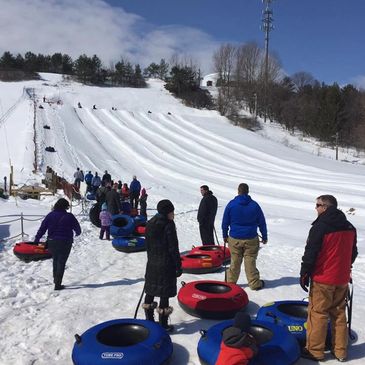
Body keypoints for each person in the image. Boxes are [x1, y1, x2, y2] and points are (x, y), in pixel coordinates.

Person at [300, 195, 357, 362]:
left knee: (318, 313)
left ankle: (315, 351)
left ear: (325, 207)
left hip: (323, 278)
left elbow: (311, 253)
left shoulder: (320, 226)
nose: (315, 208)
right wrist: (344, 267)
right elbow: (353, 253)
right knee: (339, 313)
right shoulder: (349, 226)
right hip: (341, 278)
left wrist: (304, 273)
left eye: (318, 205)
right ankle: (340, 351)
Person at [142, 200, 182, 332]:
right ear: (166, 212)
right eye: (171, 212)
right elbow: (173, 248)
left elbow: (147, 246)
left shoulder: (150, 223)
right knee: (164, 293)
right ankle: (163, 324)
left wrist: (152, 258)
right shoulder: (168, 225)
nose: (173, 214)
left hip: (152, 263)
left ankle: (149, 321)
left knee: (151, 290)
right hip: (166, 264)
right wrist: (178, 265)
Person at [222, 183, 267, 290]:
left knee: (235, 260)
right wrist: (264, 236)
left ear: (238, 191)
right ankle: (254, 283)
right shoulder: (254, 205)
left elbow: (225, 222)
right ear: (248, 191)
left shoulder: (231, 204)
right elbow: (262, 222)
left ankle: (231, 282)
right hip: (251, 238)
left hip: (235, 238)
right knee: (250, 260)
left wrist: (225, 235)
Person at [34, 198, 81, 290]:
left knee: (55, 260)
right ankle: (58, 284)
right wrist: (77, 233)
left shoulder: (50, 215)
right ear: (65, 206)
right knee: (61, 262)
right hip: (66, 242)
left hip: (52, 241)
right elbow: (78, 229)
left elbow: (42, 228)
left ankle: (56, 279)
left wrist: (37, 238)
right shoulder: (69, 216)